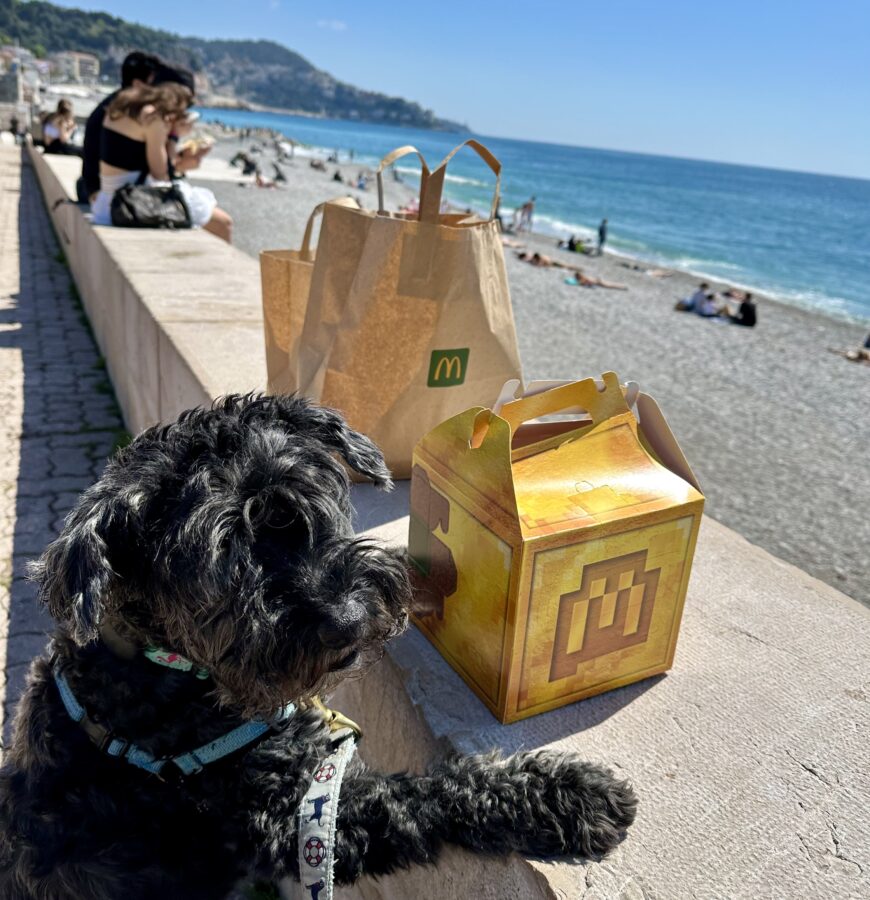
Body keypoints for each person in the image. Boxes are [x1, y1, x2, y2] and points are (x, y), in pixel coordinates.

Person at [90, 82, 232, 243]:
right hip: (132, 202)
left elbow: (132, 159)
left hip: (107, 201)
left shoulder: (121, 108)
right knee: (224, 223)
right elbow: (160, 174)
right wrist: (174, 135)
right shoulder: (152, 118)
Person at [81, 52, 162, 203]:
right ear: (138, 84)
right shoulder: (124, 112)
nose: (158, 90)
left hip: (92, 188)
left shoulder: (112, 105)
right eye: (154, 83)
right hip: (103, 195)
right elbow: (159, 173)